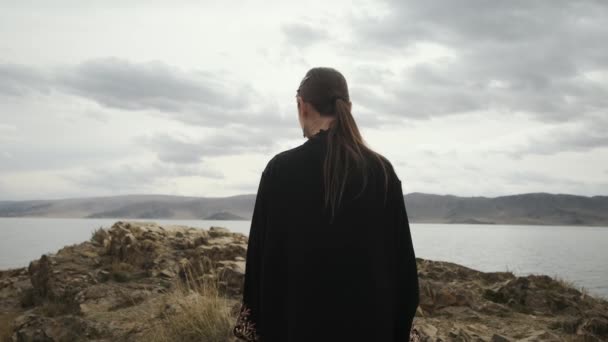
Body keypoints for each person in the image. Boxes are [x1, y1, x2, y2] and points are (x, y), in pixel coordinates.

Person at [233, 67, 419, 342]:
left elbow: (260, 268)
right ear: (349, 107)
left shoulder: (280, 170)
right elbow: (404, 272)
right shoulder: (381, 171)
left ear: (302, 105)